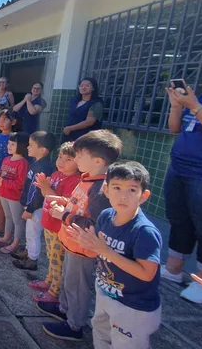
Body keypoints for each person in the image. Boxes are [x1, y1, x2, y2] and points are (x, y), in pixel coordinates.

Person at [66, 161, 162, 349]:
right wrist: (85, 241)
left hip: (133, 307)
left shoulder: (144, 232)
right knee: (101, 335)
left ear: (144, 196)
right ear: (107, 190)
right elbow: (98, 249)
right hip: (105, 292)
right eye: (117, 188)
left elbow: (147, 274)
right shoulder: (106, 216)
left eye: (132, 190)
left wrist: (105, 251)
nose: (123, 196)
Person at [39, 129, 122, 341]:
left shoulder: (101, 189)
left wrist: (64, 214)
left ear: (97, 161)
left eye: (79, 155)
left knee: (78, 287)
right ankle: (64, 310)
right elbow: (79, 205)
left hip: (82, 247)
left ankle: (74, 325)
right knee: (68, 281)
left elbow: (92, 224)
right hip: (71, 243)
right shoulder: (87, 178)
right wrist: (65, 203)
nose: (75, 159)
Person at [159, 81, 202, 304]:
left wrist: (194, 105)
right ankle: (173, 268)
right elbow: (175, 128)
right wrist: (177, 106)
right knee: (179, 220)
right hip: (179, 167)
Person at [29, 142, 80, 304]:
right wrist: (44, 187)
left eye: (68, 159)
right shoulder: (57, 174)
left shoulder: (75, 180)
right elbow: (47, 194)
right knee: (51, 256)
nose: (61, 162)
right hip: (49, 224)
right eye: (60, 157)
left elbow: (60, 202)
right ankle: (49, 280)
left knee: (58, 260)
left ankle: (54, 292)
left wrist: (46, 189)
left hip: (60, 228)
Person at [11, 131, 55, 270]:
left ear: (43, 150)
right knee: (29, 233)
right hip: (31, 206)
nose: (28, 148)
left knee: (33, 234)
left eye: (31, 145)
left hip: (36, 208)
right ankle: (29, 253)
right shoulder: (36, 163)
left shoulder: (43, 167)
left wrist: (30, 208)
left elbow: (37, 192)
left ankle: (32, 260)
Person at [0, 132, 29, 255]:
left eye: (13, 144)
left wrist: (3, 182)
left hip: (15, 197)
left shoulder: (23, 163)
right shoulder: (6, 159)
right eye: (9, 143)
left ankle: (15, 243)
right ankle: (6, 237)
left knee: (17, 220)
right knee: (8, 217)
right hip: (4, 194)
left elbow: (20, 183)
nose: (9, 146)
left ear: (22, 146)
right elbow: (2, 173)